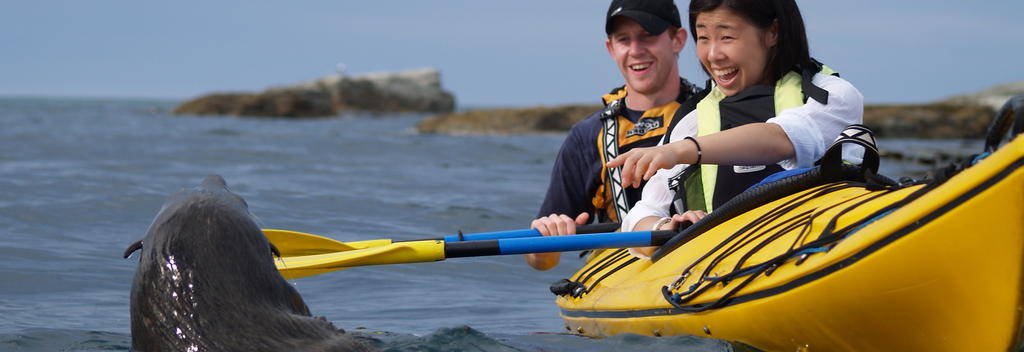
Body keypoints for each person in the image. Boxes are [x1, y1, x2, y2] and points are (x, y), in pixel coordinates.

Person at [609, 0, 864, 258]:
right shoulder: (691, 120)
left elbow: (780, 139)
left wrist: (684, 150)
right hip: (724, 273)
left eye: (727, 37)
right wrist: (668, 226)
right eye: (704, 37)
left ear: (773, 32)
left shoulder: (829, 95)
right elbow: (640, 215)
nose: (713, 55)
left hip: (820, 250)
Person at [525, 0, 699, 271]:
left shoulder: (710, 113)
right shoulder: (587, 135)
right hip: (621, 273)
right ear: (611, 48)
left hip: (700, 255)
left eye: (647, 37)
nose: (635, 51)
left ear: (677, 40)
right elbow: (540, 261)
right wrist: (547, 238)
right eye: (623, 40)